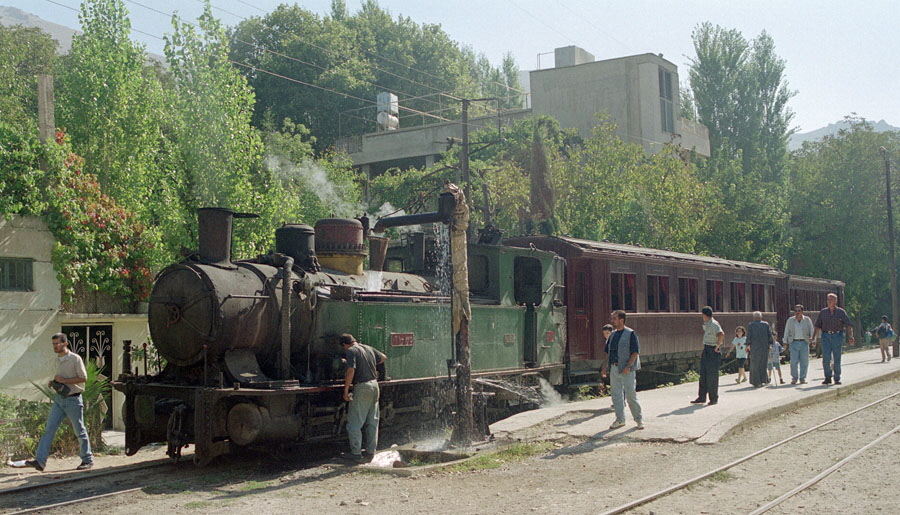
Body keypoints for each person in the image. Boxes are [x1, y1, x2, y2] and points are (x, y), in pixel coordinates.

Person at [25, 333, 93, 472]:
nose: (55, 346)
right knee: (49, 430)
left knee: (79, 430)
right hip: (59, 399)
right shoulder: (57, 360)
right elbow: (60, 378)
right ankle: (40, 461)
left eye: (58, 343)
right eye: (54, 344)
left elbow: (83, 378)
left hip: (73, 399)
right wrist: (54, 382)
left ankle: (87, 460)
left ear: (65, 343)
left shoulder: (75, 359)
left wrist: (64, 381)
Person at [340, 333, 386, 464]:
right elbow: (383, 357)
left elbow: (350, 370)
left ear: (345, 344)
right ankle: (371, 452)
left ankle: (355, 453)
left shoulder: (351, 351)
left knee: (355, 422)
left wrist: (346, 389)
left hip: (362, 386)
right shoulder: (368, 348)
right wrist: (370, 364)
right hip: (374, 384)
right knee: (372, 421)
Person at [601, 311, 644, 430]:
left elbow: (635, 352)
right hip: (614, 368)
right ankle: (620, 419)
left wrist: (628, 366)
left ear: (622, 320)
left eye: (614, 318)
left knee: (631, 396)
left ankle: (639, 420)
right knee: (616, 396)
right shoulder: (613, 335)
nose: (612, 320)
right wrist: (605, 367)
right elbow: (607, 352)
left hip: (627, 370)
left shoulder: (630, 334)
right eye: (612, 318)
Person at [812, 293, 854, 385]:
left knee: (837, 357)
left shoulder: (841, 312)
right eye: (827, 300)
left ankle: (837, 377)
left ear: (835, 301)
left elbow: (848, 325)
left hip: (837, 336)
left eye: (830, 300)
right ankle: (827, 377)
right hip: (826, 336)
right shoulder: (823, 312)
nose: (828, 301)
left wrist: (851, 336)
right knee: (826, 358)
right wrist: (813, 337)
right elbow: (817, 325)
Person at [692, 306, 724, 406]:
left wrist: (717, 346)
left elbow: (721, 334)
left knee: (712, 376)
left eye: (702, 315)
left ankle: (714, 398)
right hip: (707, 348)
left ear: (705, 315)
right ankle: (702, 397)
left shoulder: (714, 324)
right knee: (704, 374)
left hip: (713, 350)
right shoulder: (707, 324)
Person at [783, 304, 815, 384]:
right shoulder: (790, 320)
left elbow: (812, 330)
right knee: (793, 361)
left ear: (802, 311)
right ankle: (794, 378)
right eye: (796, 311)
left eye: (799, 311)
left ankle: (802, 378)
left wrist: (813, 340)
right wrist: (785, 342)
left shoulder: (807, 320)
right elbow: (786, 331)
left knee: (804, 361)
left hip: (804, 342)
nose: (797, 312)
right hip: (793, 342)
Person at [746, 311, 774, 387]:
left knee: (755, 364)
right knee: (763, 363)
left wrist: (747, 345)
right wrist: (771, 344)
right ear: (761, 317)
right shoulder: (766, 324)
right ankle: (764, 380)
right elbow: (770, 335)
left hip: (755, 347)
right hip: (765, 347)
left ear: (754, 318)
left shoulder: (751, 325)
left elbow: (749, 336)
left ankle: (757, 382)